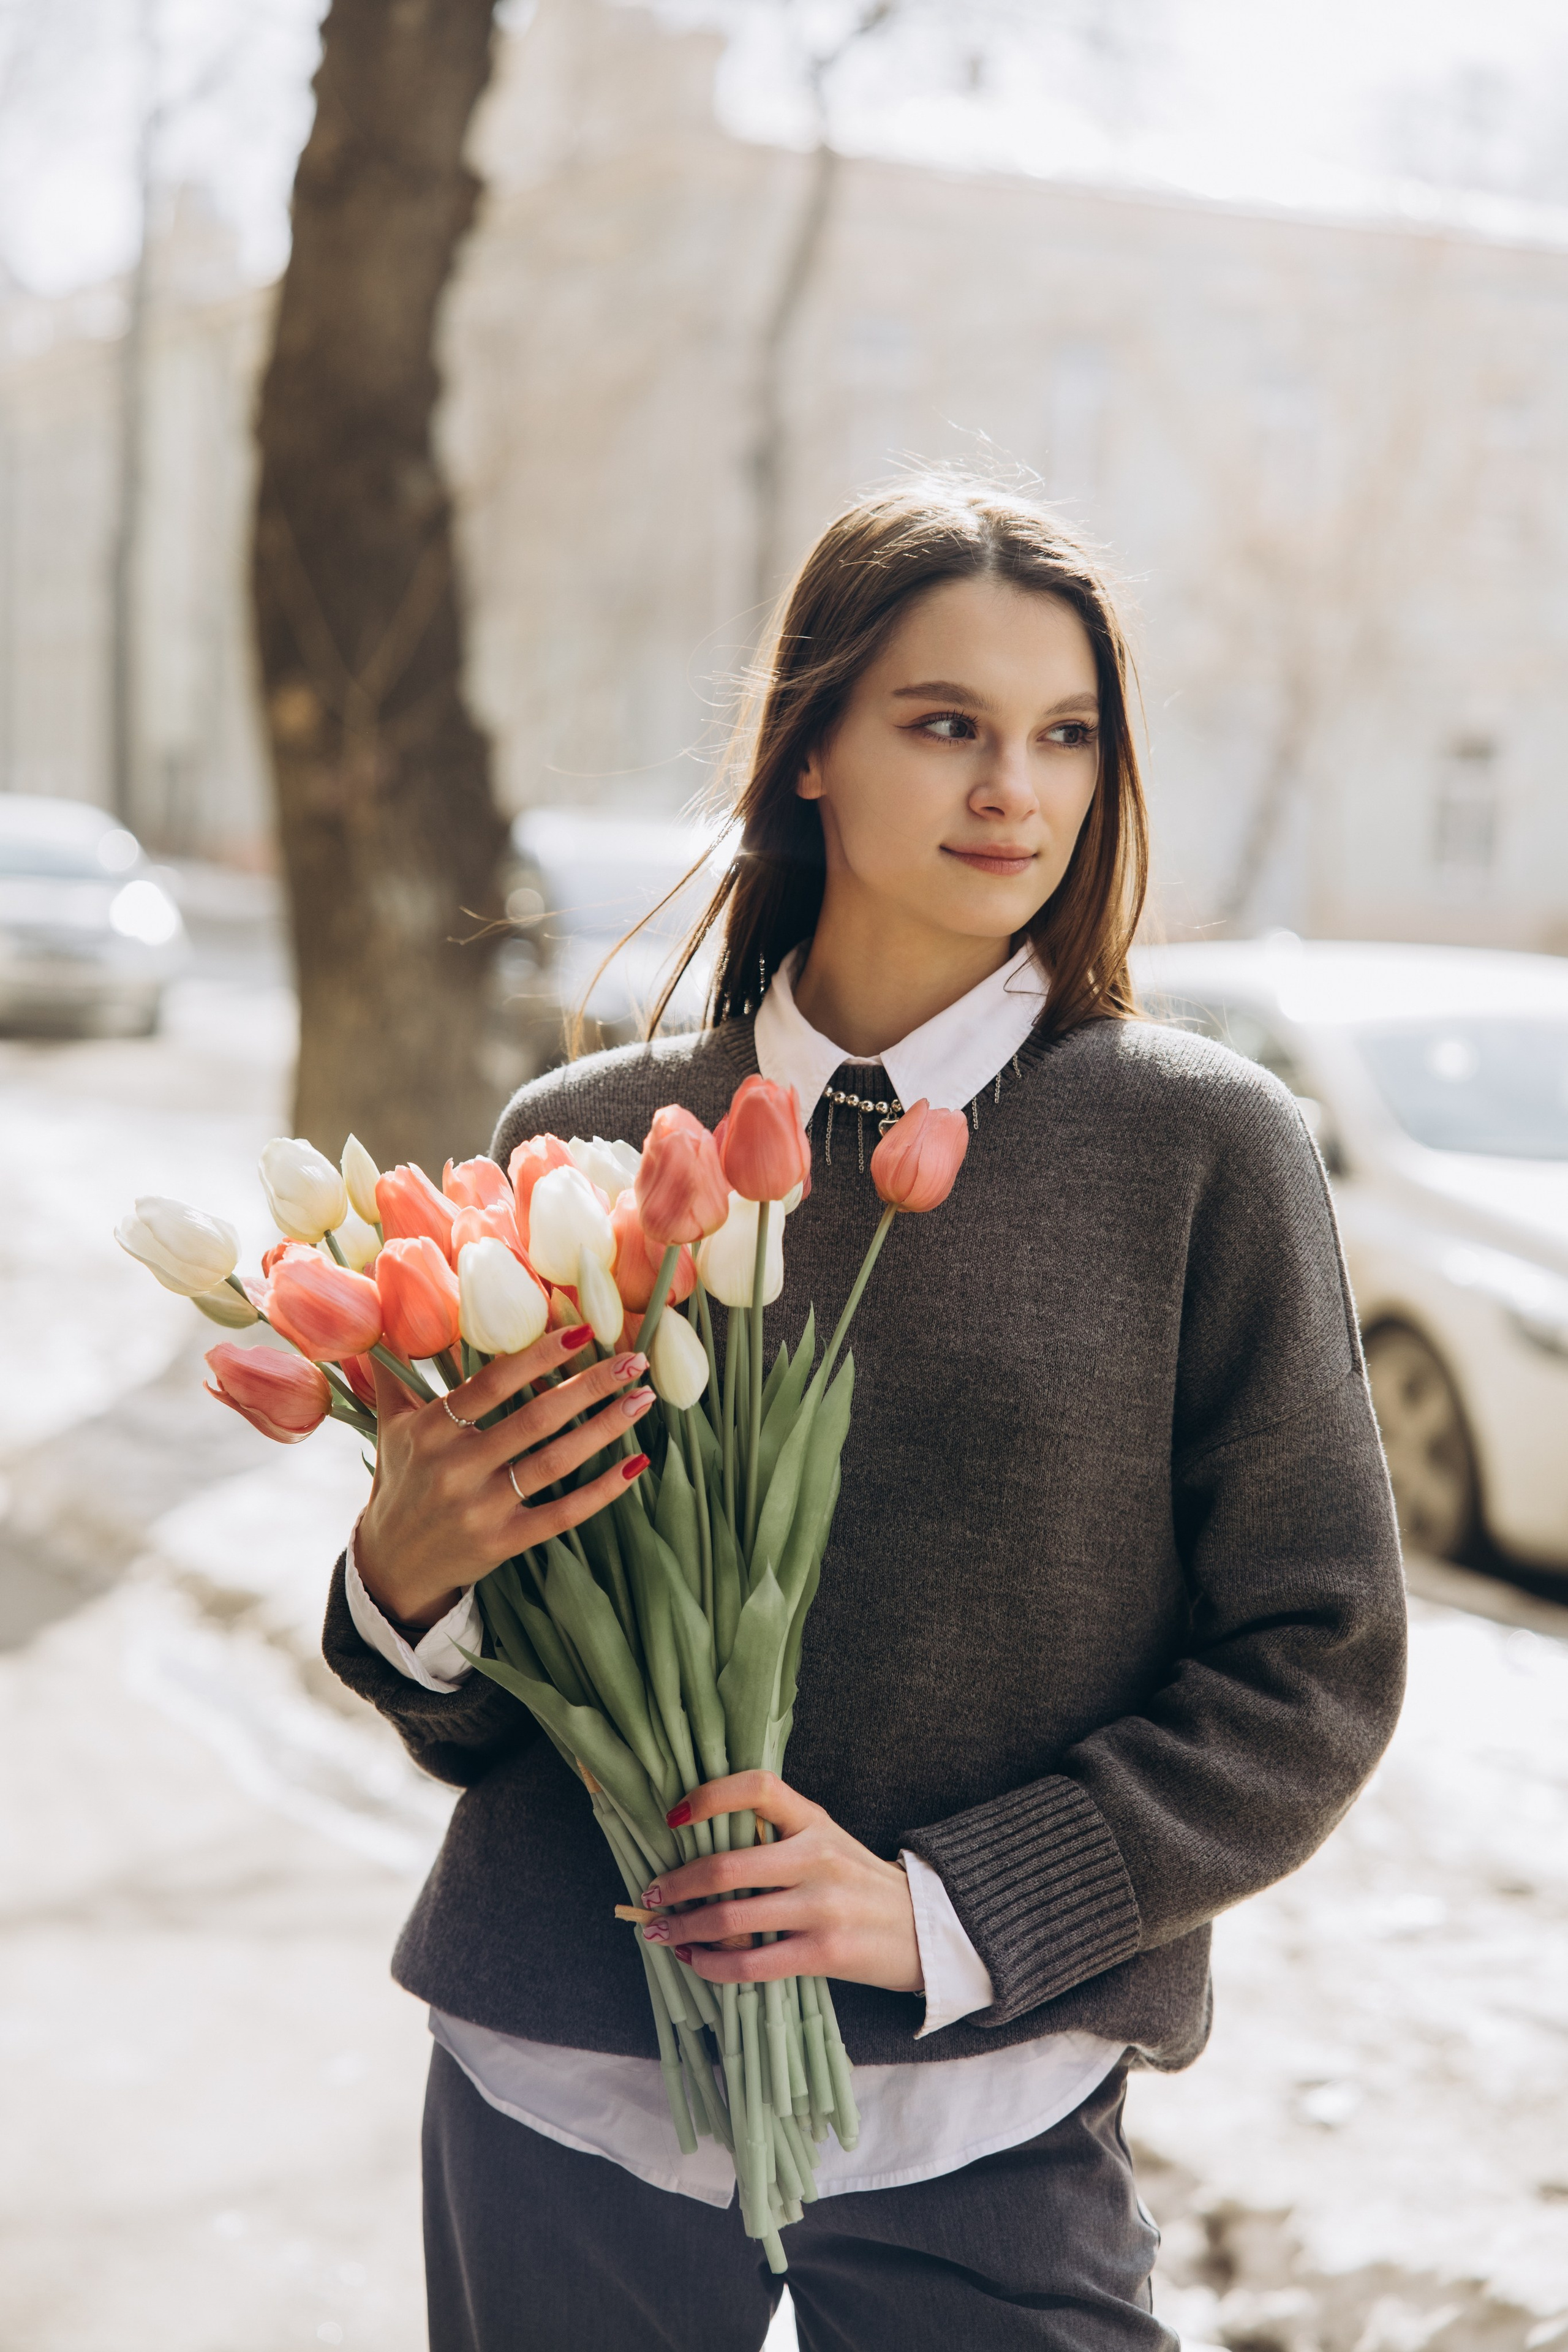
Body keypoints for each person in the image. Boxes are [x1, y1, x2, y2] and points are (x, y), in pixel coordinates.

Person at [323, 477, 1406, 2351]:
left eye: (1066, 735)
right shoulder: (580, 1141)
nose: (1017, 790)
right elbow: (482, 1710)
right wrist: (400, 1588)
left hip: (987, 2100)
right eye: (947, 726)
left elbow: (1318, 1660)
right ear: (812, 746)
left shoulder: (1201, 1150)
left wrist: (949, 1909)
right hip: (561, 2088)